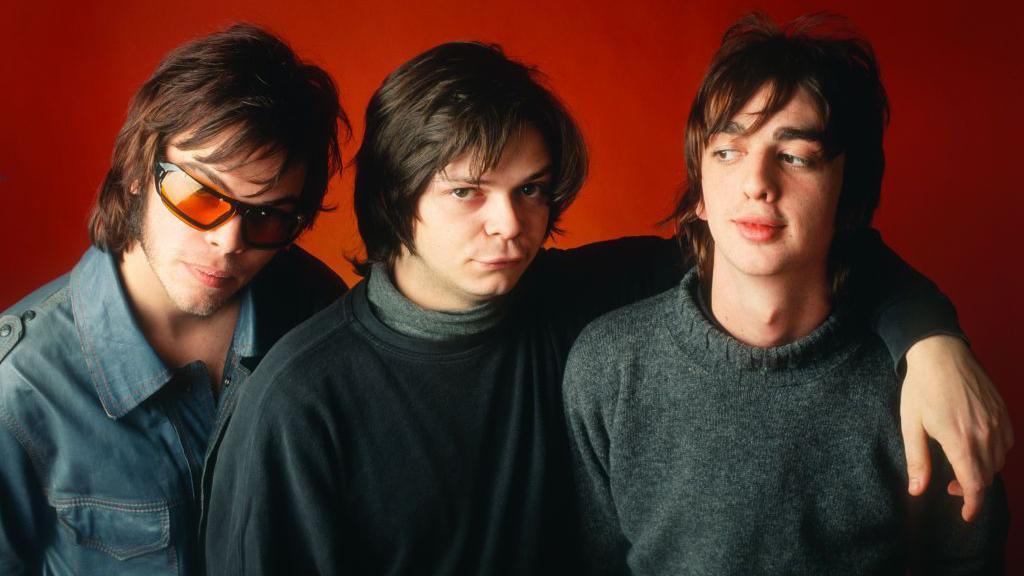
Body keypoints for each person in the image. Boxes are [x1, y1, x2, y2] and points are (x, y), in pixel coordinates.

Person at [206, 41, 1010, 574]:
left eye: (530, 192)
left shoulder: (575, 300)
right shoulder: (298, 400)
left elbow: (773, 244)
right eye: (465, 193)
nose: (510, 225)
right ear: (393, 196)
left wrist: (928, 336)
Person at [563, 13, 1008, 575]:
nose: (756, 182)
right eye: (727, 152)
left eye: (796, 156)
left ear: (849, 200)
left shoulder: (927, 393)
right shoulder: (607, 365)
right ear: (698, 191)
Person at [0, 24, 348, 575]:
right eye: (200, 196)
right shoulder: (19, 389)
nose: (229, 242)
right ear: (139, 172)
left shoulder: (318, 312)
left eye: (267, 214)